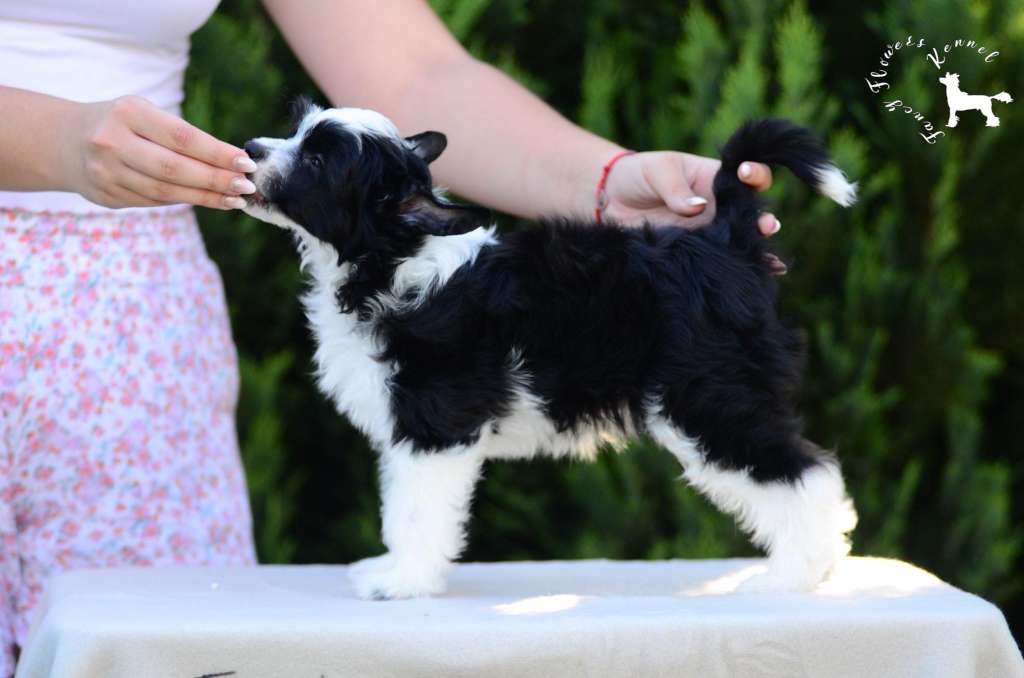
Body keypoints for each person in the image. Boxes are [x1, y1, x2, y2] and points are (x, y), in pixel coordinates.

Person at [0, 2, 780, 673]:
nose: (270, 148)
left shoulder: (417, 292)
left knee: (148, 644)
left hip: (124, 330)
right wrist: (57, 141)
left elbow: (411, 75)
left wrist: (605, 181)